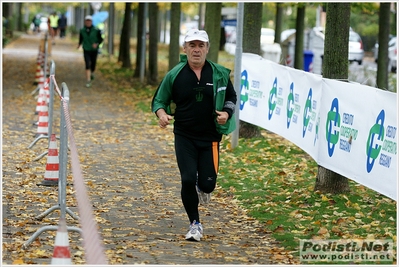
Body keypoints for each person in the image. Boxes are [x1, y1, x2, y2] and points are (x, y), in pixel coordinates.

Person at [151, 29, 237, 242]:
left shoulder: (219, 73)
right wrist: (162, 115)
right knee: (188, 179)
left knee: (208, 185)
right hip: (185, 136)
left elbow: (231, 97)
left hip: (211, 138)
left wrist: (226, 113)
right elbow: (159, 101)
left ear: (207, 48)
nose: (196, 50)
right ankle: (194, 224)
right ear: (185, 48)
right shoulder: (175, 75)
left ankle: (203, 186)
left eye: (201, 46)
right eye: (192, 45)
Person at [77, 15, 103, 88]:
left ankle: (92, 72)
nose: (88, 22)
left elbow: (101, 39)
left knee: (93, 64)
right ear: (85, 22)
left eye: (89, 21)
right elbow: (81, 38)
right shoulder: (82, 30)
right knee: (87, 64)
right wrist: (79, 45)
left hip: (94, 50)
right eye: (87, 21)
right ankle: (88, 80)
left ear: (91, 22)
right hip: (86, 49)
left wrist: (97, 44)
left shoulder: (96, 30)